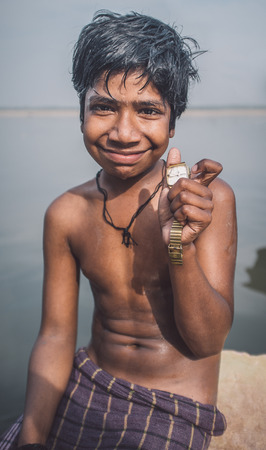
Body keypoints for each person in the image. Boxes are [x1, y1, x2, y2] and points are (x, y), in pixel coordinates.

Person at [0, 10, 237, 450]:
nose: (123, 133)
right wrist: (31, 438)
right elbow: (54, 335)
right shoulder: (66, 213)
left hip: (172, 402)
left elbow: (206, 341)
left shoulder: (205, 198)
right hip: (88, 381)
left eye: (148, 110)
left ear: (172, 121)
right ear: (82, 111)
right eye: (104, 107)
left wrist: (177, 246)